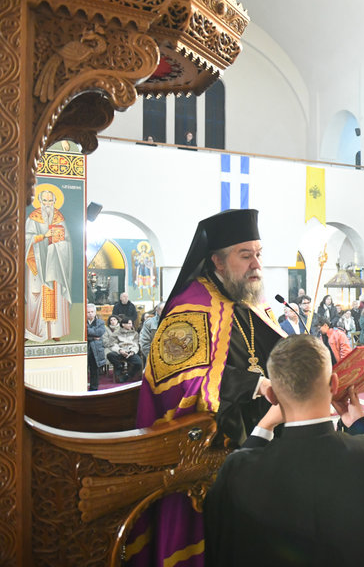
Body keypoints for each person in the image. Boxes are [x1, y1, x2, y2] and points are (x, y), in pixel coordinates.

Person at [133, 209, 286, 567]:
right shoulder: (191, 306)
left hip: (262, 435)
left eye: (258, 253)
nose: (256, 264)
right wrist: (256, 384)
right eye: (245, 255)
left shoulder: (249, 297)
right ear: (217, 260)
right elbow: (178, 379)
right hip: (213, 444)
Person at [204, 335, 364, 567]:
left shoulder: (239, 471)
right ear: (334, 384)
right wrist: (360, 424)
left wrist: (264, 426)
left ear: (272, 395)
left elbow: (221, 542)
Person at [25, 186, 72, 342]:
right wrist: (43, 236)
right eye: (44, 201)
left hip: (54, 265)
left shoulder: (59, 217)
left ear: (54, 201)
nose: (47, 204)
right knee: (35, 296)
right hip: (37, 264)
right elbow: (26, 239)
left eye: (50, 201)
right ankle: (33, 332)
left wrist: (59, 244)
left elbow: (67, 241)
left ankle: (55, 332)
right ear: (39, 201)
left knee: (55, 297)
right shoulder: (33, 218)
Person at [106, 316, 142, 383]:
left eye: (131, 323)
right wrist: (120, 350)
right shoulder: (116, 333)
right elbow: (112, 345)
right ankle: (119, 366)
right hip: (120, 351)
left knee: (139, 363)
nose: (130, 325)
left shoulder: (135, 333)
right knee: (110, 355)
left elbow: (136, 344)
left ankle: (127, 375)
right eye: (129, 323)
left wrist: (132, 352)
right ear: (123, 324)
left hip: (130, 352)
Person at [85, 303, 107, 391]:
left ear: (95, 312)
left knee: (94, 370)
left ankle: (94, 388)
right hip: (85, 349)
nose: (90, 314)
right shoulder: (82, 322)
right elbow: (83, 333)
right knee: (83, 369)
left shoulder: (100, 322)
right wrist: (93, 337)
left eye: (92, 312)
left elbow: (99, 333)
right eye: (88, 312)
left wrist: (88, 333)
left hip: (96, 350)